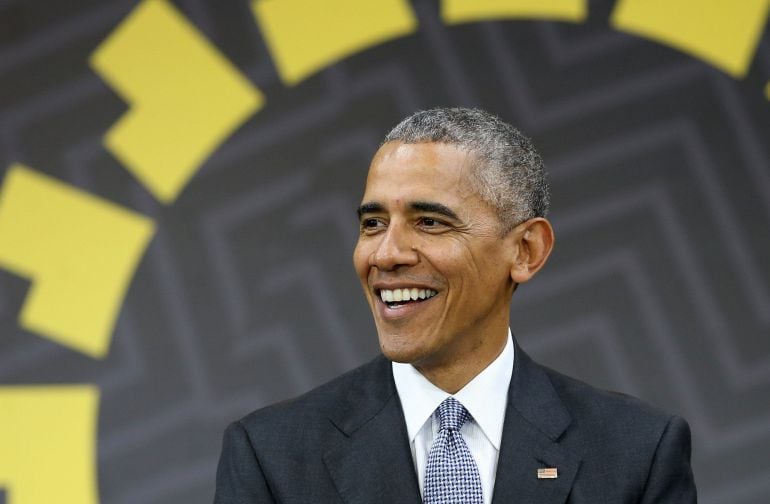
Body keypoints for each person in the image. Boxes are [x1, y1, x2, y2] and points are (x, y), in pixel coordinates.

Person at [214, 108, 697, 503]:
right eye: (373, 223)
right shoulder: (271, 455)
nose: (386, 254)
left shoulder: (637, 452)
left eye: (428, 222)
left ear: (526, 251)